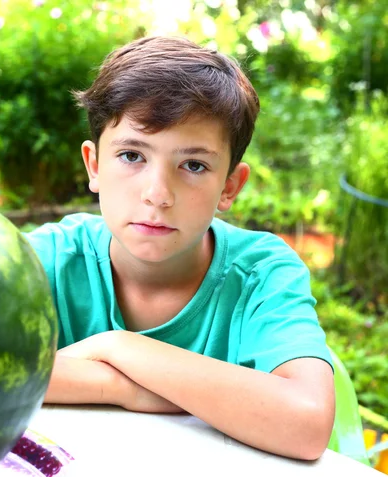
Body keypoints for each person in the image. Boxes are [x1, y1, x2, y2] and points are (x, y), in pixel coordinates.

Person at [24, 35, 335, 461]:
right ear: (94, 165)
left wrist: (119, 347)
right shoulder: (46, 259)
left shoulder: (262, 274)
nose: (157, 194)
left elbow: (308, 423)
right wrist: (118, 387)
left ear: (229, 186)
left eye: (193, 165)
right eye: (132, 155)